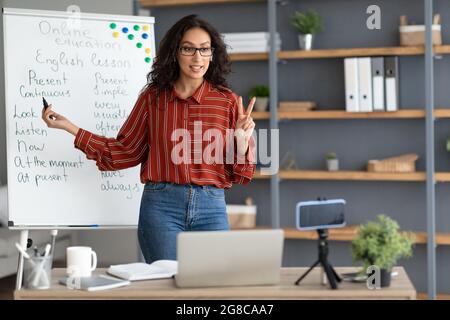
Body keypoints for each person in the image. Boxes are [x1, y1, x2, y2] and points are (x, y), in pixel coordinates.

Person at [42, 14, 256, 263]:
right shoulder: (152, 99)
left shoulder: (227, 102)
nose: (197, 57)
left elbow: (242, 174)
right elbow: (123, 151)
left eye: (204, 49)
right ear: (175, 52)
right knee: (164, 286)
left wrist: (241, 141)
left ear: (212, 54)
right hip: (161, 207)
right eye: (188, 49)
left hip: (212, 207)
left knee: (213, 285)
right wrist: (71, 128)